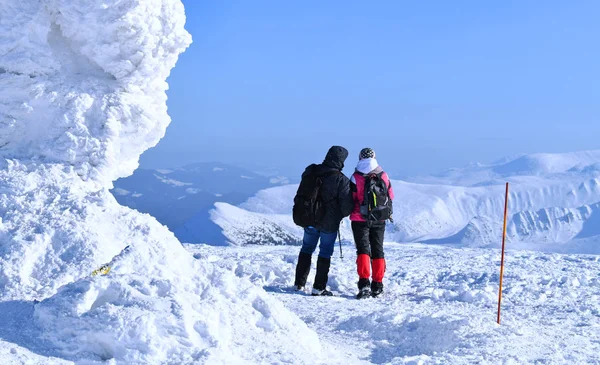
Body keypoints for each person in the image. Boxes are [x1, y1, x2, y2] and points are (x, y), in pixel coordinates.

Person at [293, 146, 354, 296]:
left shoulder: (311, 171)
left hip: (309, 218)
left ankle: (299, 284)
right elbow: (347, 207)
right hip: (329, 223)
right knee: (325, 252)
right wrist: (337, 214)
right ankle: (318, 288)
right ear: (342, 160)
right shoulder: (342, 180)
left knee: (306, 249)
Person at [350, 148, 394, 299]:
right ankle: (378, 285)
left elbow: (351, 198)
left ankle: (364, 284)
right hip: (379, 218)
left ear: (360, 158)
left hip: (359, 219)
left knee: (363, 250)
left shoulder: (356, 177)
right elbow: (391, 195)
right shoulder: (383, 175)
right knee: (378, 250)